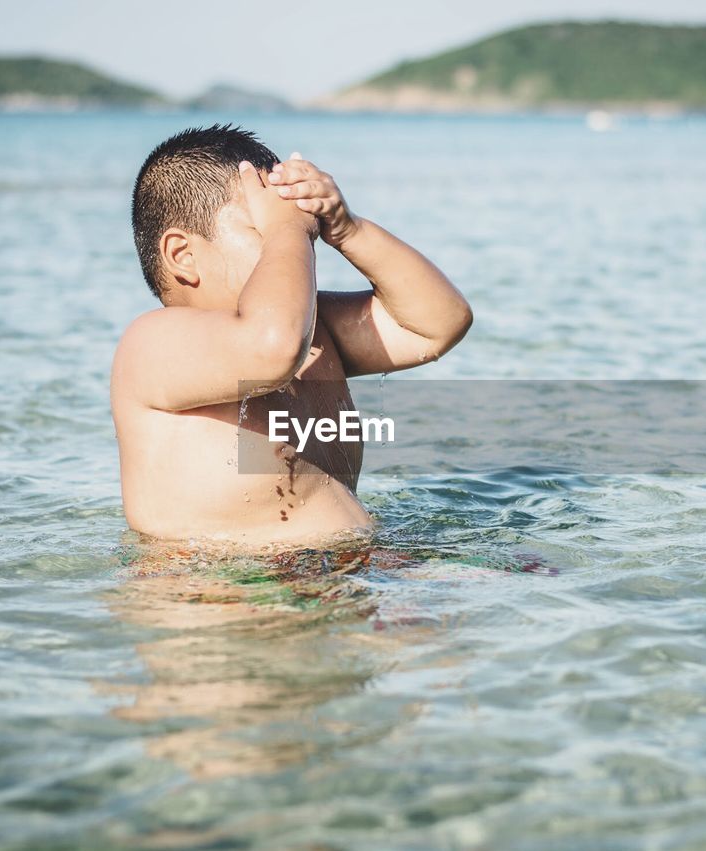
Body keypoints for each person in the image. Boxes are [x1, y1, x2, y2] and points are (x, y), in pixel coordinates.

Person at [111, 124, 471, 549]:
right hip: (230, 593)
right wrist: (289, 231)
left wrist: (346, 227)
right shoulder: (153, 345)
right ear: (183, 256)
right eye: (266, 228)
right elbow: (272, 348)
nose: (301, 243)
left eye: (306, 226)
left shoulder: (315, 330)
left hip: (342, 577)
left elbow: (437, 324)